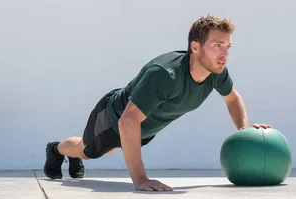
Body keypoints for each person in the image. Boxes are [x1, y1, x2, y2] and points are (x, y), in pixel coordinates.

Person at [43, 15, 273, 192]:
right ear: (195, 47)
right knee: (87, 151)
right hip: (114, 118)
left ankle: (70, 152)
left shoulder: (216, 72)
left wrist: (245, 134)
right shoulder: (165, 74)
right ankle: (56, 149)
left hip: (142, 127)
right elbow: (128, 121)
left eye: (228, 46)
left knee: (112, 147)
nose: (224, 54)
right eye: (217, 45)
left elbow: (232, 98)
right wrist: (140, 180)